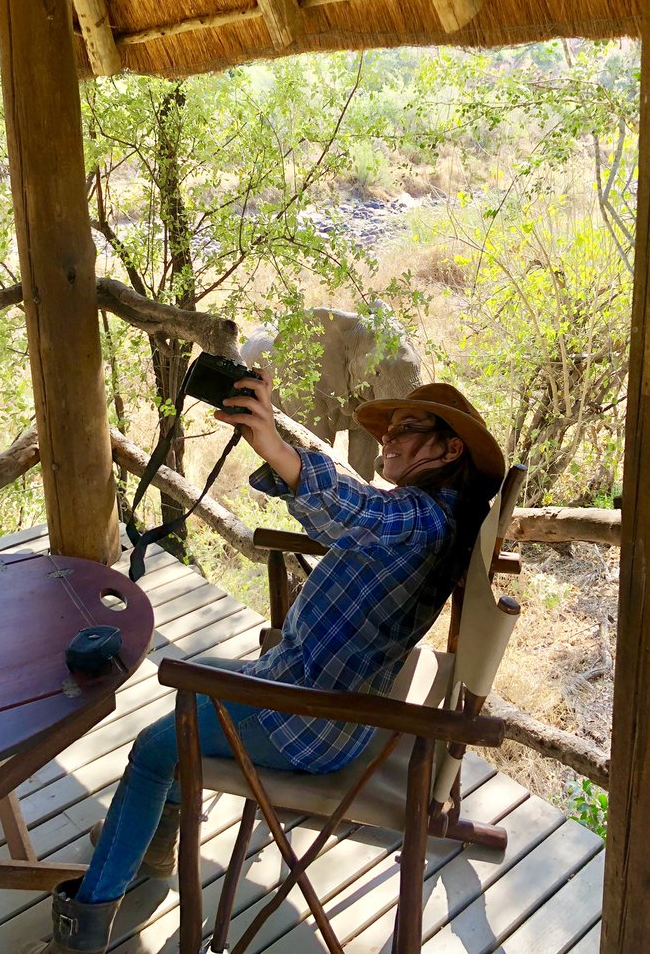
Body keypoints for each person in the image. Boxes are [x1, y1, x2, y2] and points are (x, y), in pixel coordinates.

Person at [34, 372, 505, 954]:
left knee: (156, 747)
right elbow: (354, 518)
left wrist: (276, 447)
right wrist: (280, 454)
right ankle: (153, 850)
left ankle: (86, 923)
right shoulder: (434, 514)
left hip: (309, 716)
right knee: (189, 700)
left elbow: (354, 512)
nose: (389, 439)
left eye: (407, 429)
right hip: (310, 688)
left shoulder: (421, 520)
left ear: (449, 449)